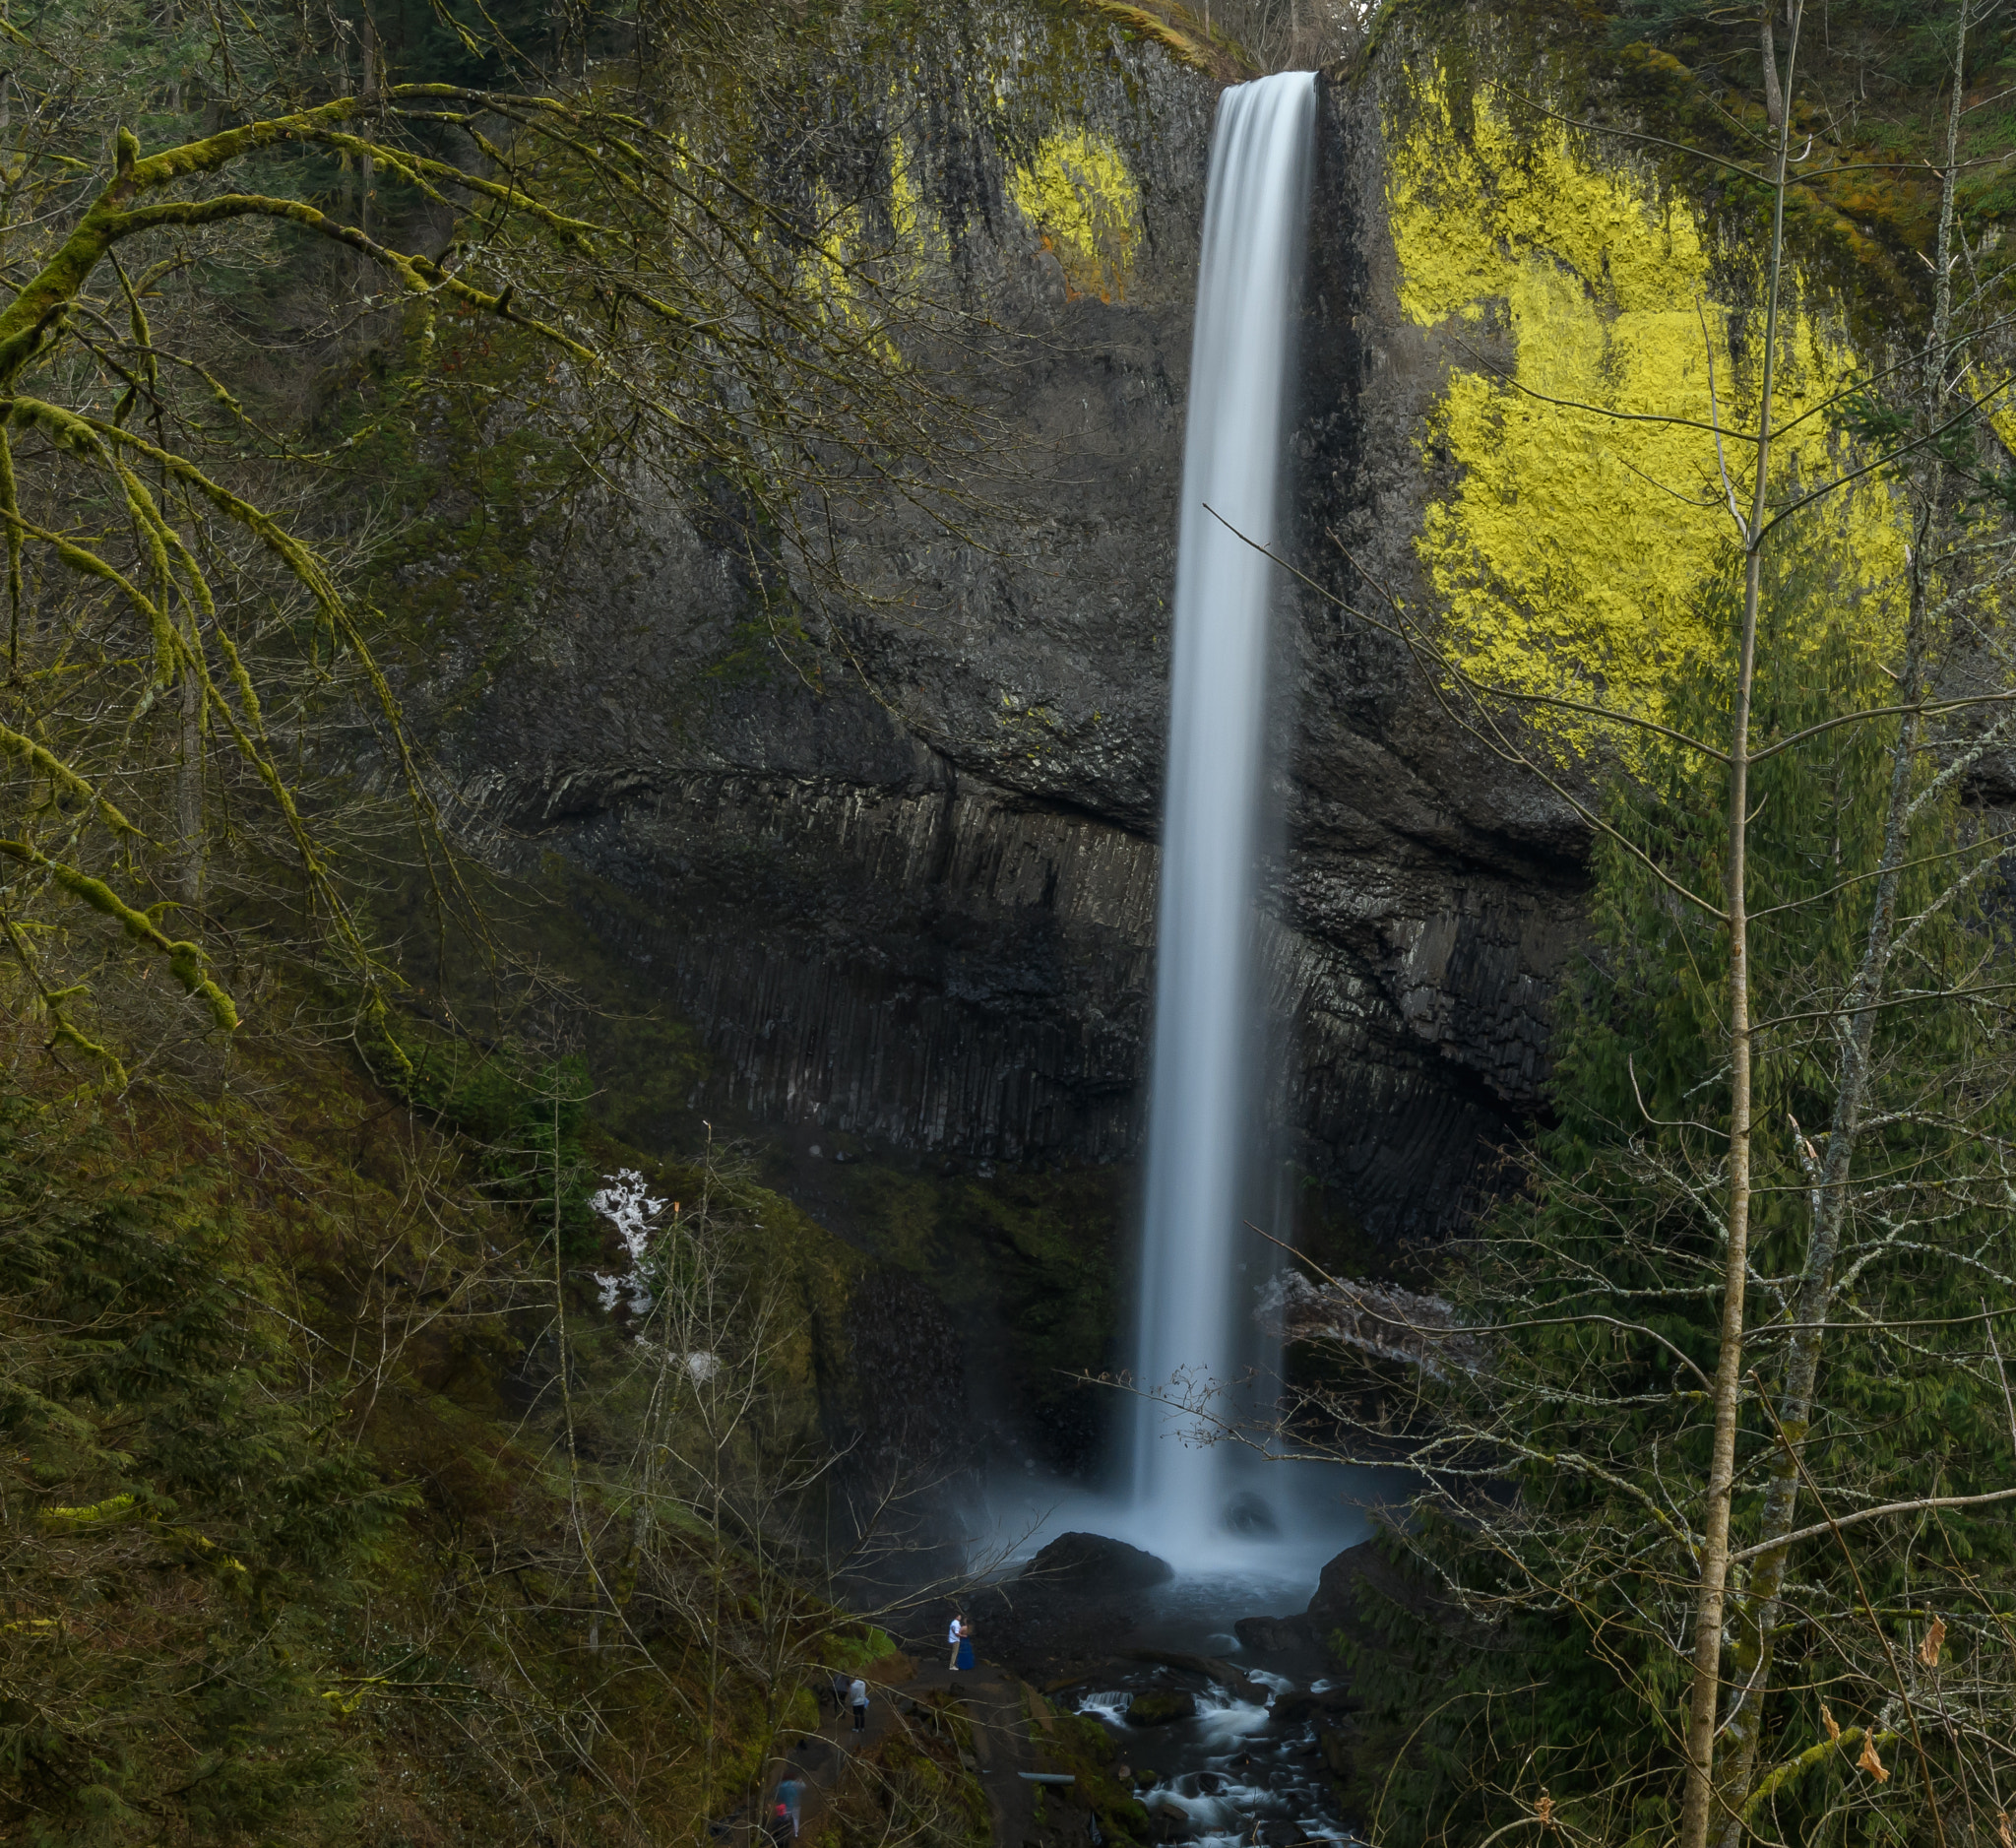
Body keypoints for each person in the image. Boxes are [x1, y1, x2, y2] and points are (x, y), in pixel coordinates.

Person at [773, 1773, 805, 1841]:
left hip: (785, 1805)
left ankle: (785, 1832)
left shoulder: (781, 1785)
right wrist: (801, 1781)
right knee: (795, 1819)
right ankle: (795, 1834)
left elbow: (775, 1791)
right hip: (795, 1805)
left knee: (785, 1819)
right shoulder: (795, 1784)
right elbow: (803, 1787)